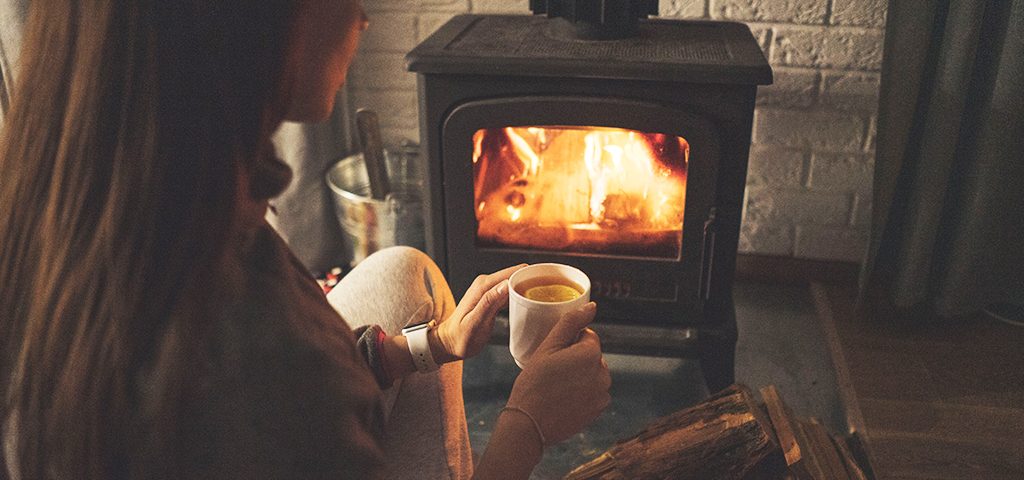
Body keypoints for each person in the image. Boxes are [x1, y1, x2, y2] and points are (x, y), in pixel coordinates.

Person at [0, 1, 611, 479]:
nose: (365, 18)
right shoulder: (272, 366)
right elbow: (275, 392)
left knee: (404, 272)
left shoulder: (120, 195)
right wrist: (527, 426)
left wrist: (425, 347)